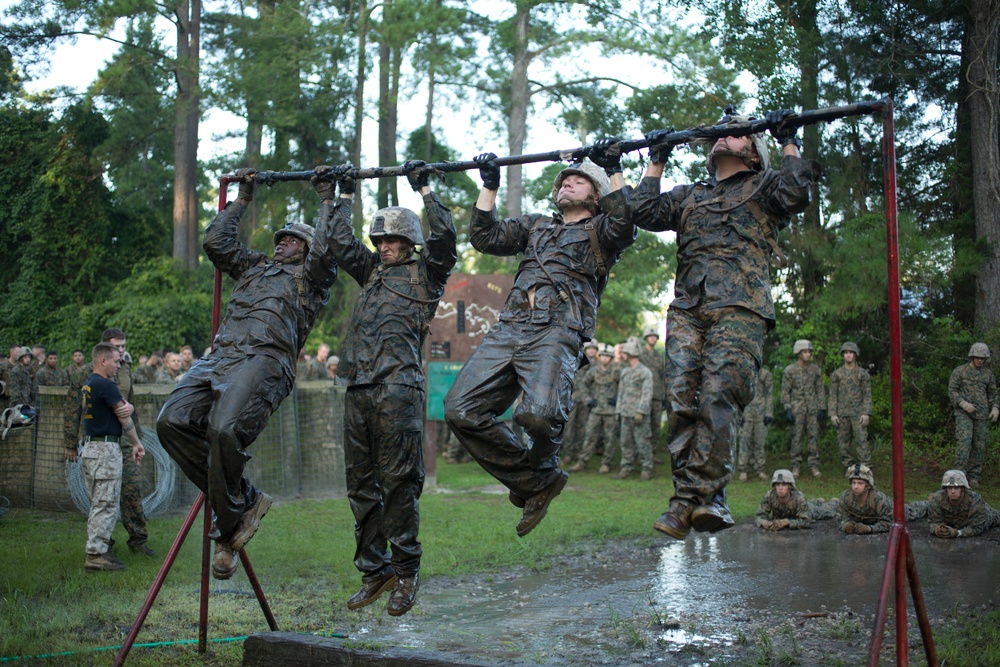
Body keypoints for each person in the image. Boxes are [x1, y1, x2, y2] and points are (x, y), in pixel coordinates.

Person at [631, 108, 819, 539]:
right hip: (689, 309)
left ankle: (691, 499)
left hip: (741, 306)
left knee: (718, 394)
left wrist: (788, 138)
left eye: (737, 135)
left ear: (754, 154)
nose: (724, 137)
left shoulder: (764, 184)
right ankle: (701, 498)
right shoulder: (689, 195)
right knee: (679, 401)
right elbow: (643, 210)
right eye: (721, 132)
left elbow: (796, 194)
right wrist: (655, 158)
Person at [444, 142, 636, 537]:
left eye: (579, 180)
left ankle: (540, 473)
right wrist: (490, 185)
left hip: (558, 330)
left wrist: (612, 166)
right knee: (460, 410)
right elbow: (485, 237)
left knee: (539, 414)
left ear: (595, 195)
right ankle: (535, 481)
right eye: (565, 179)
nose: (567, 183)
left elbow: (626, 223)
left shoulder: (602, 230)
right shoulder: (537, 226)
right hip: (510, 328)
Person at [156, 167, 339, 580]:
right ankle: (242, 503)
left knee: (224, 429)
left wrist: (327, 199)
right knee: (171, 422)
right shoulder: (255, 267)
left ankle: (229, 528)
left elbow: (329, 250)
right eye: (280, 238)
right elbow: (215, 241)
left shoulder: (313, 279)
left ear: (306, 249)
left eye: (292, 239)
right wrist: (241, 199)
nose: (283, 243)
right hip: (220, 356)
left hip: (264, 360)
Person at [313, 159, 456, 616]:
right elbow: (338, 241)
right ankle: (375, 572)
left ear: (409, 242)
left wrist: (427, 191)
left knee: (399, 484)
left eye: (394, 239)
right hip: (358, 389)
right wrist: (344, 196)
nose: (386, 245)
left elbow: (446, 239)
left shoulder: (426, 274)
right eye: (381, 239)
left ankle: (407, 572)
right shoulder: (370, 270)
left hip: (399, 389)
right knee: (360, 486)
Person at [65, 328, 156, 556]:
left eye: (124, 346)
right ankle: (104, 544)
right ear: (105, 348)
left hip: (124, 439)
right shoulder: (88, 373)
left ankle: (138, 540)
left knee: (132, 489)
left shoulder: (124, 369)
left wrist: (137, 439)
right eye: (118, 347)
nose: (123, 351)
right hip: (101, 440)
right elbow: (72, 408)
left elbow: (129, 402)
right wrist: (69, 442)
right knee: (103, 496)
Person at [80, 342, 146, 571]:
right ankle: (96, 554)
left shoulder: (89, 383)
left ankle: (97, 550)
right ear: (103, 361)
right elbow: (124, 417)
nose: (119, 365)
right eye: (117, 361)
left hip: (90, 449)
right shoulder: (106, 384)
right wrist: (136, 443)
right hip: (105, 451)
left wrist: (127, 407)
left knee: (98, 504)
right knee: (106, 504)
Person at [947, 342, 998, 488]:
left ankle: (974, 477)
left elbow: (993, 393)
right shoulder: (960, 371)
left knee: (979, 446)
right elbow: (952, 391)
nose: (980, 360)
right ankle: (958, 476)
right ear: (972, 356)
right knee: (964, 443)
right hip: (964, 414)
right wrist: (963, 404)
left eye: (983, 358)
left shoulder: (988, 374)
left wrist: (995, 408)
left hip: (981, 416)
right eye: (977, 357)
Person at [568, 344, 619, 472]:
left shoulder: (616, 371)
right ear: (599, 357)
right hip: (595, 410)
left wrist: (618, 398)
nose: (605, 359)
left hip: (610, 411)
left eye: (607, 356)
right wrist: (588, 400)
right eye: (602, 356)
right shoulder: (593, 371)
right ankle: (582, 462)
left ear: (611, 358)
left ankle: (606, 463)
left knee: (609, 438)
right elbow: (583, 385)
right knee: (589, 436)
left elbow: (624, 386)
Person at [781, 339, 825, 478]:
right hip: (797, 409)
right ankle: (795, 466)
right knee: (797, 438)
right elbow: (785, 391)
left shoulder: (815, 369)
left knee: (813, 436)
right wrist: (787, 408)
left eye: (809, 352)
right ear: (798, 353)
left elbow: (820, 389)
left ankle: (814, 465)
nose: (808, 354)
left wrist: (822, 408)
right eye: (805, 352)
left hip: (812, 408)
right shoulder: (790, 370)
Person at [828, 341, 872, 468]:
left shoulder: (862, 374)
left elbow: (867, 394)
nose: (848, 355)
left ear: (855, 355)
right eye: (846, 353)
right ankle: (848, 467)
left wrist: (866, 413)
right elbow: (832, 395)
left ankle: (865, 468)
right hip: (842, 414)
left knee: (862, 441)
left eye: (851, 353)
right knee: (843, 443)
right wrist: (833, 414)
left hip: (858, 414)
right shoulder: (837, 374)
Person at [615, 338, 654, 479]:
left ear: (631, 353)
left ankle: (646, 469)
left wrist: (641, 411)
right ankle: (626, 468)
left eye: (625, 352)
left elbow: (647, 393)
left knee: (643, 442)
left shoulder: (645, 372)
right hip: (625, 413)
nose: (623, 355)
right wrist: (618, 411)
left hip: (638, 415)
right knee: (625, 442)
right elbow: (621, 393)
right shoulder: (625, 372)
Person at [927, 469, 1000, 538]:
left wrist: (958, 533)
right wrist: (937, 530)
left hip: (985, 515)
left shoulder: (975, 500)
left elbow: (977, 527)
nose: (953, 491)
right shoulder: (937, 498)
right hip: (956, 521)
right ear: (945, 489)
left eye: (956, 488)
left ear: (962, 488)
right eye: (949, 488)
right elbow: (934, 522)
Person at [561, 340, 599, 464]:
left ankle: (579, 451)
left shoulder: (599, 365)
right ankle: (568, 452)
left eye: (593, 349)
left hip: (588, 399)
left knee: (583, 426)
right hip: (573, 398)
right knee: (570, 426)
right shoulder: (577, 362)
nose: (591, 351)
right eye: (589, 349)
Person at [737, 366, 773, 482]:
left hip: (760, 412)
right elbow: (737, 394)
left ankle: (760, 469)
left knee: (760, 441)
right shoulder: (742, 373)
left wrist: (769, 413)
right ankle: (743, 470)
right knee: (744, 440)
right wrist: (739, 413)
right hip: (746, 412)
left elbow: (769, 394)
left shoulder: (765, 374)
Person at [835, 464, 892, 534]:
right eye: (853, 483)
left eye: (860, 483)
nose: (856, 487)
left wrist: (869, 529)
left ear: (868, 486)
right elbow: (841, 518)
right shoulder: (846, 497)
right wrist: (846, 525)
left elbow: (889, 523)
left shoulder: (879, 499)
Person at [638, 326, 666, 447]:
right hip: (643, 395)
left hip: (657, 395)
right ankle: (641, 452)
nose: (653, 338)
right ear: (646, 338)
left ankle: (652, 450)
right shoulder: (640, 355)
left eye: (655, 336)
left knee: (656, 423)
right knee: (643, 424)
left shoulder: (659, 356)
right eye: (650, 336)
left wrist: (664, 395)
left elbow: (662, 376)